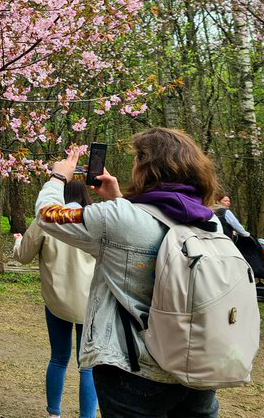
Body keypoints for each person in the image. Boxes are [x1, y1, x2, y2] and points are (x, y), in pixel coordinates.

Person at [37, 128, 221, 418]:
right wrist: (119, 199)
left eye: (137, 160)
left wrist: (59, 177)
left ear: (147, 167)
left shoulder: (119, 218)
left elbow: (47, 216)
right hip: (197, 366)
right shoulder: (210, 221)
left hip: (136, 369)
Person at [13, 180, 97, 418]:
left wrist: (18, 241)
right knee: (88, 365)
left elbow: (23, 256)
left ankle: (54, 414)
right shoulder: (96, 219)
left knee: (58, 358)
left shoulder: (47, 219)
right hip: (90, 304)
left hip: (56, 300)